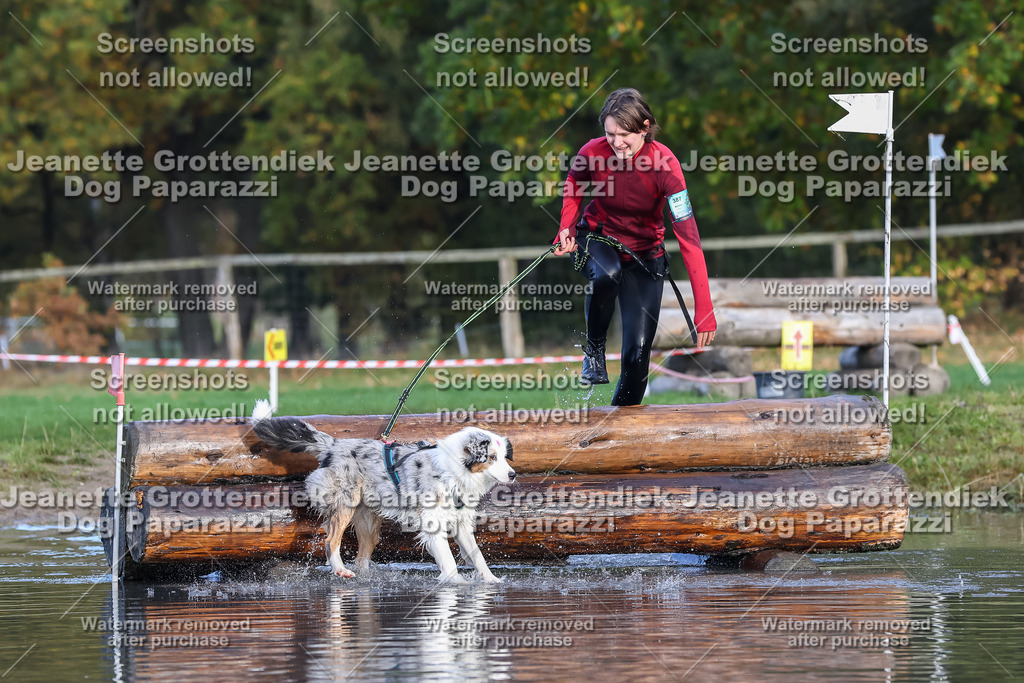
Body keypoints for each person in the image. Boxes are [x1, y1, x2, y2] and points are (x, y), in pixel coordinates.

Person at [553, 87, 717, 406]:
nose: (616, 143)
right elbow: (573, 186)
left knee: (638, 355)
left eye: (625, 134)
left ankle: (621, 432)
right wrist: (566, 227)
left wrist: (705, 309)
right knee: (607, 274)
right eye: (610, 133)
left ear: (644, 127)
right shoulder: (592, 152)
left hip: (645, 257)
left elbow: (689, 240)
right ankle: (595, 352)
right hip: (598, 239)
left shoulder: (666, 166)